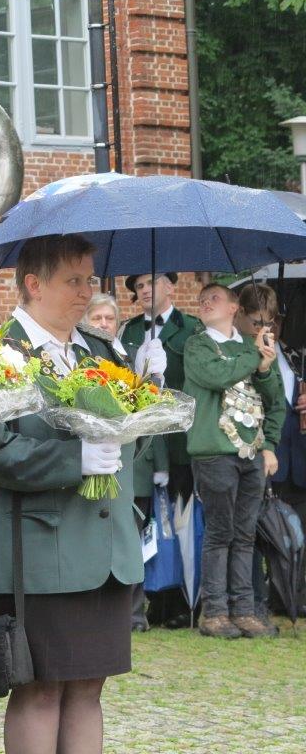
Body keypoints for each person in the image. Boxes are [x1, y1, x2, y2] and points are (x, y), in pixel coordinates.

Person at [0, 236, 161, 754]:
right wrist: (71, 461)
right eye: (73, 281)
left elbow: (128, 445)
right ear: (33, 284)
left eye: (90, 280)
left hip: (103, 550)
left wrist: (148, 390)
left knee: (88, 687)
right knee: (40, 689)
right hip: (38, 549)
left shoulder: (97, 350)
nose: (87, 293)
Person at [184, 283, 284, 639]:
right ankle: (214, 611)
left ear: (233, 306)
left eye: (214, 298)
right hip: (214, 452)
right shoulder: (197, 345)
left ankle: (244, 610)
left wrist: (266, 368)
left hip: (250, 452)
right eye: (202, 300)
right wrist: (253, 358)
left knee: (244, 535)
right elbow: (216, 376)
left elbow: (275, 400)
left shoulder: (250, 347)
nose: (205, 303)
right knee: (219, 533)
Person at [83, 293, 169, 632]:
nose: (104, 324)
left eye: (109, 319)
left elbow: (146, 414)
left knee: (131, 540)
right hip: (93, 458)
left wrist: (152, 377)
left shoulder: (126, 355)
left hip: (130, 463)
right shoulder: (85, 354)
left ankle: (131, 612)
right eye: (97, 318)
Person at [120, 272, 201, 628]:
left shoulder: (192, 328)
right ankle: (148, 599)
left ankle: (179, 602)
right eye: (139, 286)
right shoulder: (130, 331)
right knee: (147, 520)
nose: (146, 289)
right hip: (146, 440)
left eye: (152, 283)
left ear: (172, 286)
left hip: (181, 440)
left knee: (181, 522)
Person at [237, 283, 306, 618]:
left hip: (298, 461)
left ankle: (293, 598)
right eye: (260, 323)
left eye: (273, 322)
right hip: (259, 456)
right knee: (256, 533)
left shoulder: (297, 357)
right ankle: (256, 599)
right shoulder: (243, 358)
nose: (268, 329)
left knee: (296, 534)